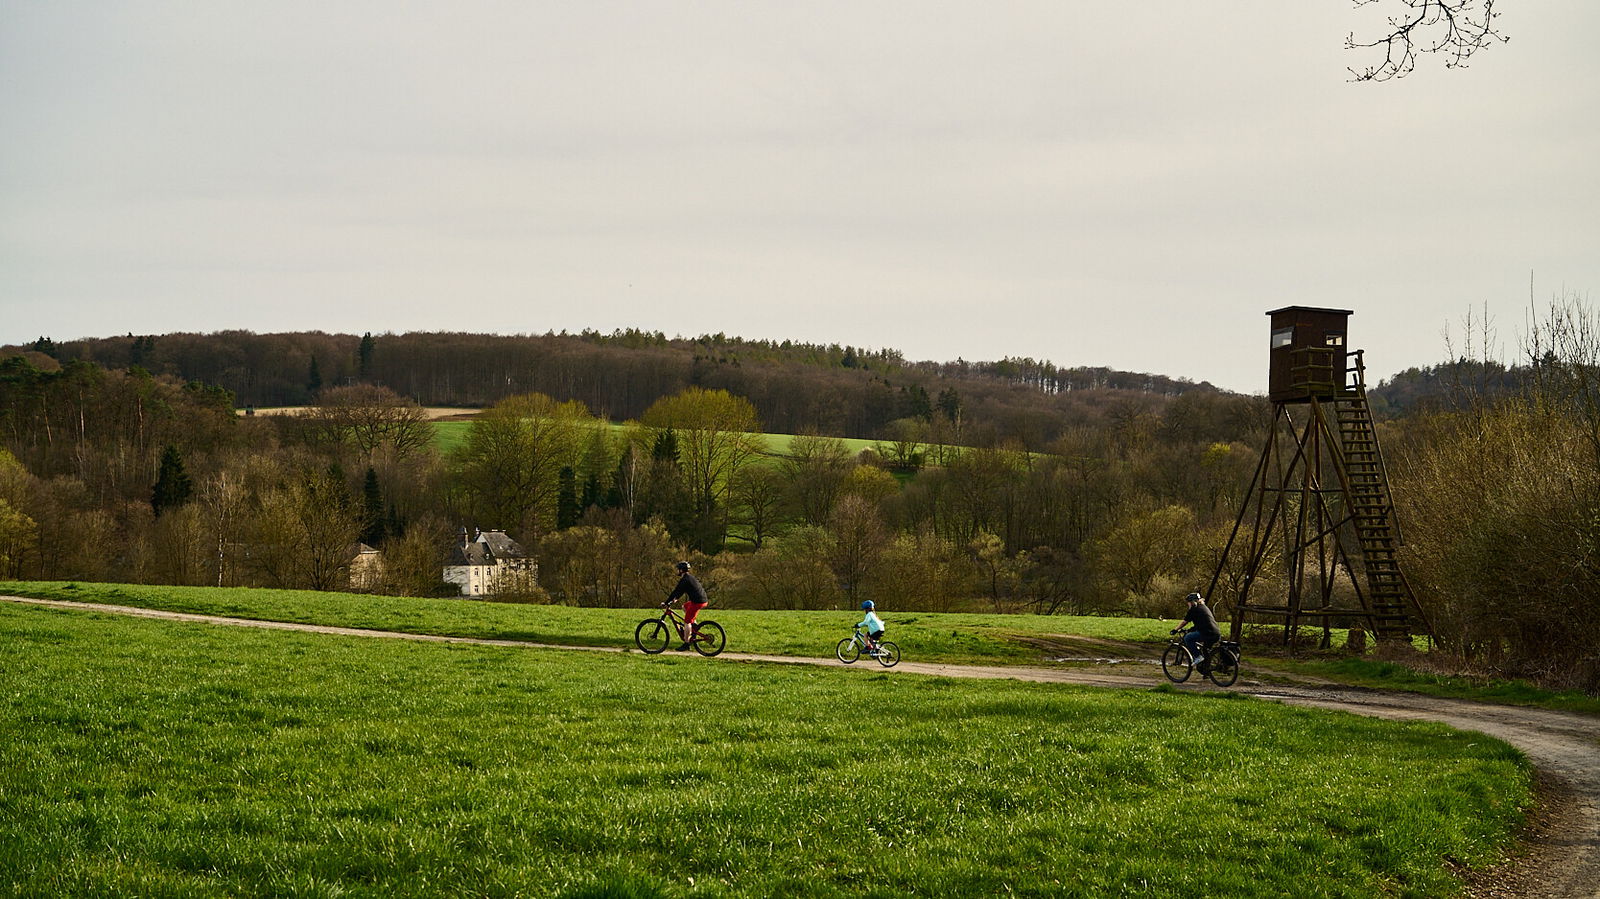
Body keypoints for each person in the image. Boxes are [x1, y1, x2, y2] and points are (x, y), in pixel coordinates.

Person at [1171, 592, 1221, 670]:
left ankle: (1198, 657)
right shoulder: (1204, 607)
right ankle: (1206, 670)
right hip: (1216, 633)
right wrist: (1190, 629)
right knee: (1205, 650)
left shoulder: (1194, 609)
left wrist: (1175, 630)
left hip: (1207, 633)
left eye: (1188, 602)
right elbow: (1201, 623)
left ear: (1192, 602)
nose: (1188, 604)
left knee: (1188, 638)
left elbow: (1184, 622)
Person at [667, 560, 708, 651]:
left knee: (687, 621)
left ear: (681, 570)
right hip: (700, 600)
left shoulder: (685, 580)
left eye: (678, 569)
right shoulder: (688, 578)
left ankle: (686, 643)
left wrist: (666, 602)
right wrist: (676, 598)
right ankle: (694, 627)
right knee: (684, 607)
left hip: (698, 602)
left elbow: (675, 591)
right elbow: (680, 591)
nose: (677, 571)